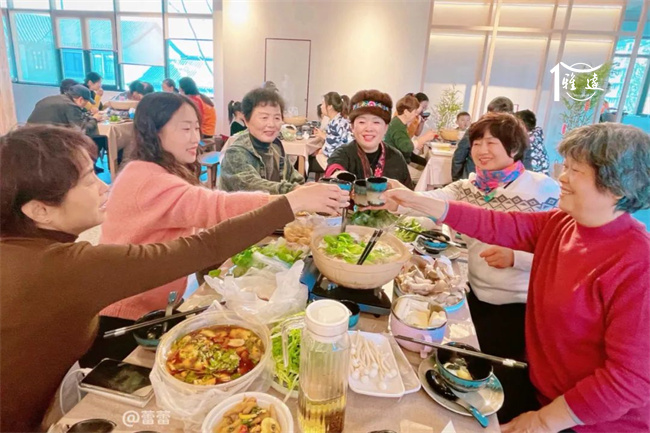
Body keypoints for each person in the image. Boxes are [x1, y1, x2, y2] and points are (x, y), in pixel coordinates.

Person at [0, 125, 348, 432]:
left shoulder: (23, 249)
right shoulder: (65, 267)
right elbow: (202, 247)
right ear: (38, 210)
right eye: (89, 179)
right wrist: (289, 203)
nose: (104, 187)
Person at [382, 122, 650, 433]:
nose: (562, 177)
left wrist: (543, 421)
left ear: (617, 185)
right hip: (539, 387)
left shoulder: (637, 263)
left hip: (589, 421)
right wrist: (412, 199)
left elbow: (630, 380)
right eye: (566, 167)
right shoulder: (562, 223)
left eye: (575, 170)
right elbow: (494, 223)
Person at [83, 92, 346, 364]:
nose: (195, 138)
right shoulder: (147, 179)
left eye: (197, 128)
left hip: (153, 307)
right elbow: (216, 207)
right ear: (154, 131)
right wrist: (293, 201)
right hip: (124, 317)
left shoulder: (157, 171)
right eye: (185, 128)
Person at [390, 112, 560, 422]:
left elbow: (560, 252)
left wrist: (517, 258)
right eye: (477, 142)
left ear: (514, 148)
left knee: (497, 375)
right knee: (464, 363)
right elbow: (432, 200)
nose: (482, 150)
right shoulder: (469, 186)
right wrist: (400, 197)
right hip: (475, 294)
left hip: (518, 305)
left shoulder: (542, 189)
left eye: (491, 143)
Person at [219, 87, 305, 193]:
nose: (271, 124)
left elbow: (295, 178)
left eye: (277, 118)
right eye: (264, 117)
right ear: (246, 121)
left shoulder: (276, 147)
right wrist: (296, 190)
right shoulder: (235, 153)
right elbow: (253, 187)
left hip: (276, 203)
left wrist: (308, 188)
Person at [325, 89, 413, 188]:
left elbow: (407, 193)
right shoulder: (342, 154)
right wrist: (338, 177)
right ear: (352, 127)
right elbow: (334, 171)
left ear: (385, 128)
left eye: (376, 122)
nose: (369, 128)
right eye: (362, 122)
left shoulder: (396, 158)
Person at [452, 96, 524, 181]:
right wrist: (457, 179)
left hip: (505, 182)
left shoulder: (515, 133)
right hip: (473, 179)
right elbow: (459, 155)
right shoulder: (476, 128)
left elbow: (523, 160)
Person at [27, 84, 98, 136]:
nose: (85, 105)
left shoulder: (55, 98)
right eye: (86, 102)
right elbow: (81, 131)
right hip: (44, 138)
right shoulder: (71, 105)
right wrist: (94, 119)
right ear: (80, 99)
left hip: (28, 134)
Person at [385, 94, 435, 167]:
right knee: (428, 171)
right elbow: (406, 147)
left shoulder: (399, 122)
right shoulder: (397, 125)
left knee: (427, 166)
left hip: (400, 161)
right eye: (415, 112)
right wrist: (424, 138)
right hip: (395, 165)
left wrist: (416, 143)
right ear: (406, 112)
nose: (416, 115)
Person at [313, 91, 352, 170]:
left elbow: (329, 151)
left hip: (339, 162)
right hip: (346, 158)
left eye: (323, 104)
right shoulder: (340, 119)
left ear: (330, 106)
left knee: (306, 161)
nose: (321, 107)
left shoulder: (334, 123)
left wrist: (319, 151)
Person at [516, 109, 550, 176]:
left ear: (522, 124)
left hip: (532, 176)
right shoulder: (537, 136)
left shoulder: (525, 140)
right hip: (543, 176)